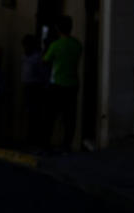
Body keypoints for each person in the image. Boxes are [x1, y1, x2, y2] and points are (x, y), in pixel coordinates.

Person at [43, 15, 83, 152]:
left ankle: (47, 144)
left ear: (58, 29)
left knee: (50, 115)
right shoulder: (77, 45)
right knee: (69, 117)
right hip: (72, 84)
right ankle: (67, 144)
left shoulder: (55, 45)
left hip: (57, 84)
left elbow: (46, 60)